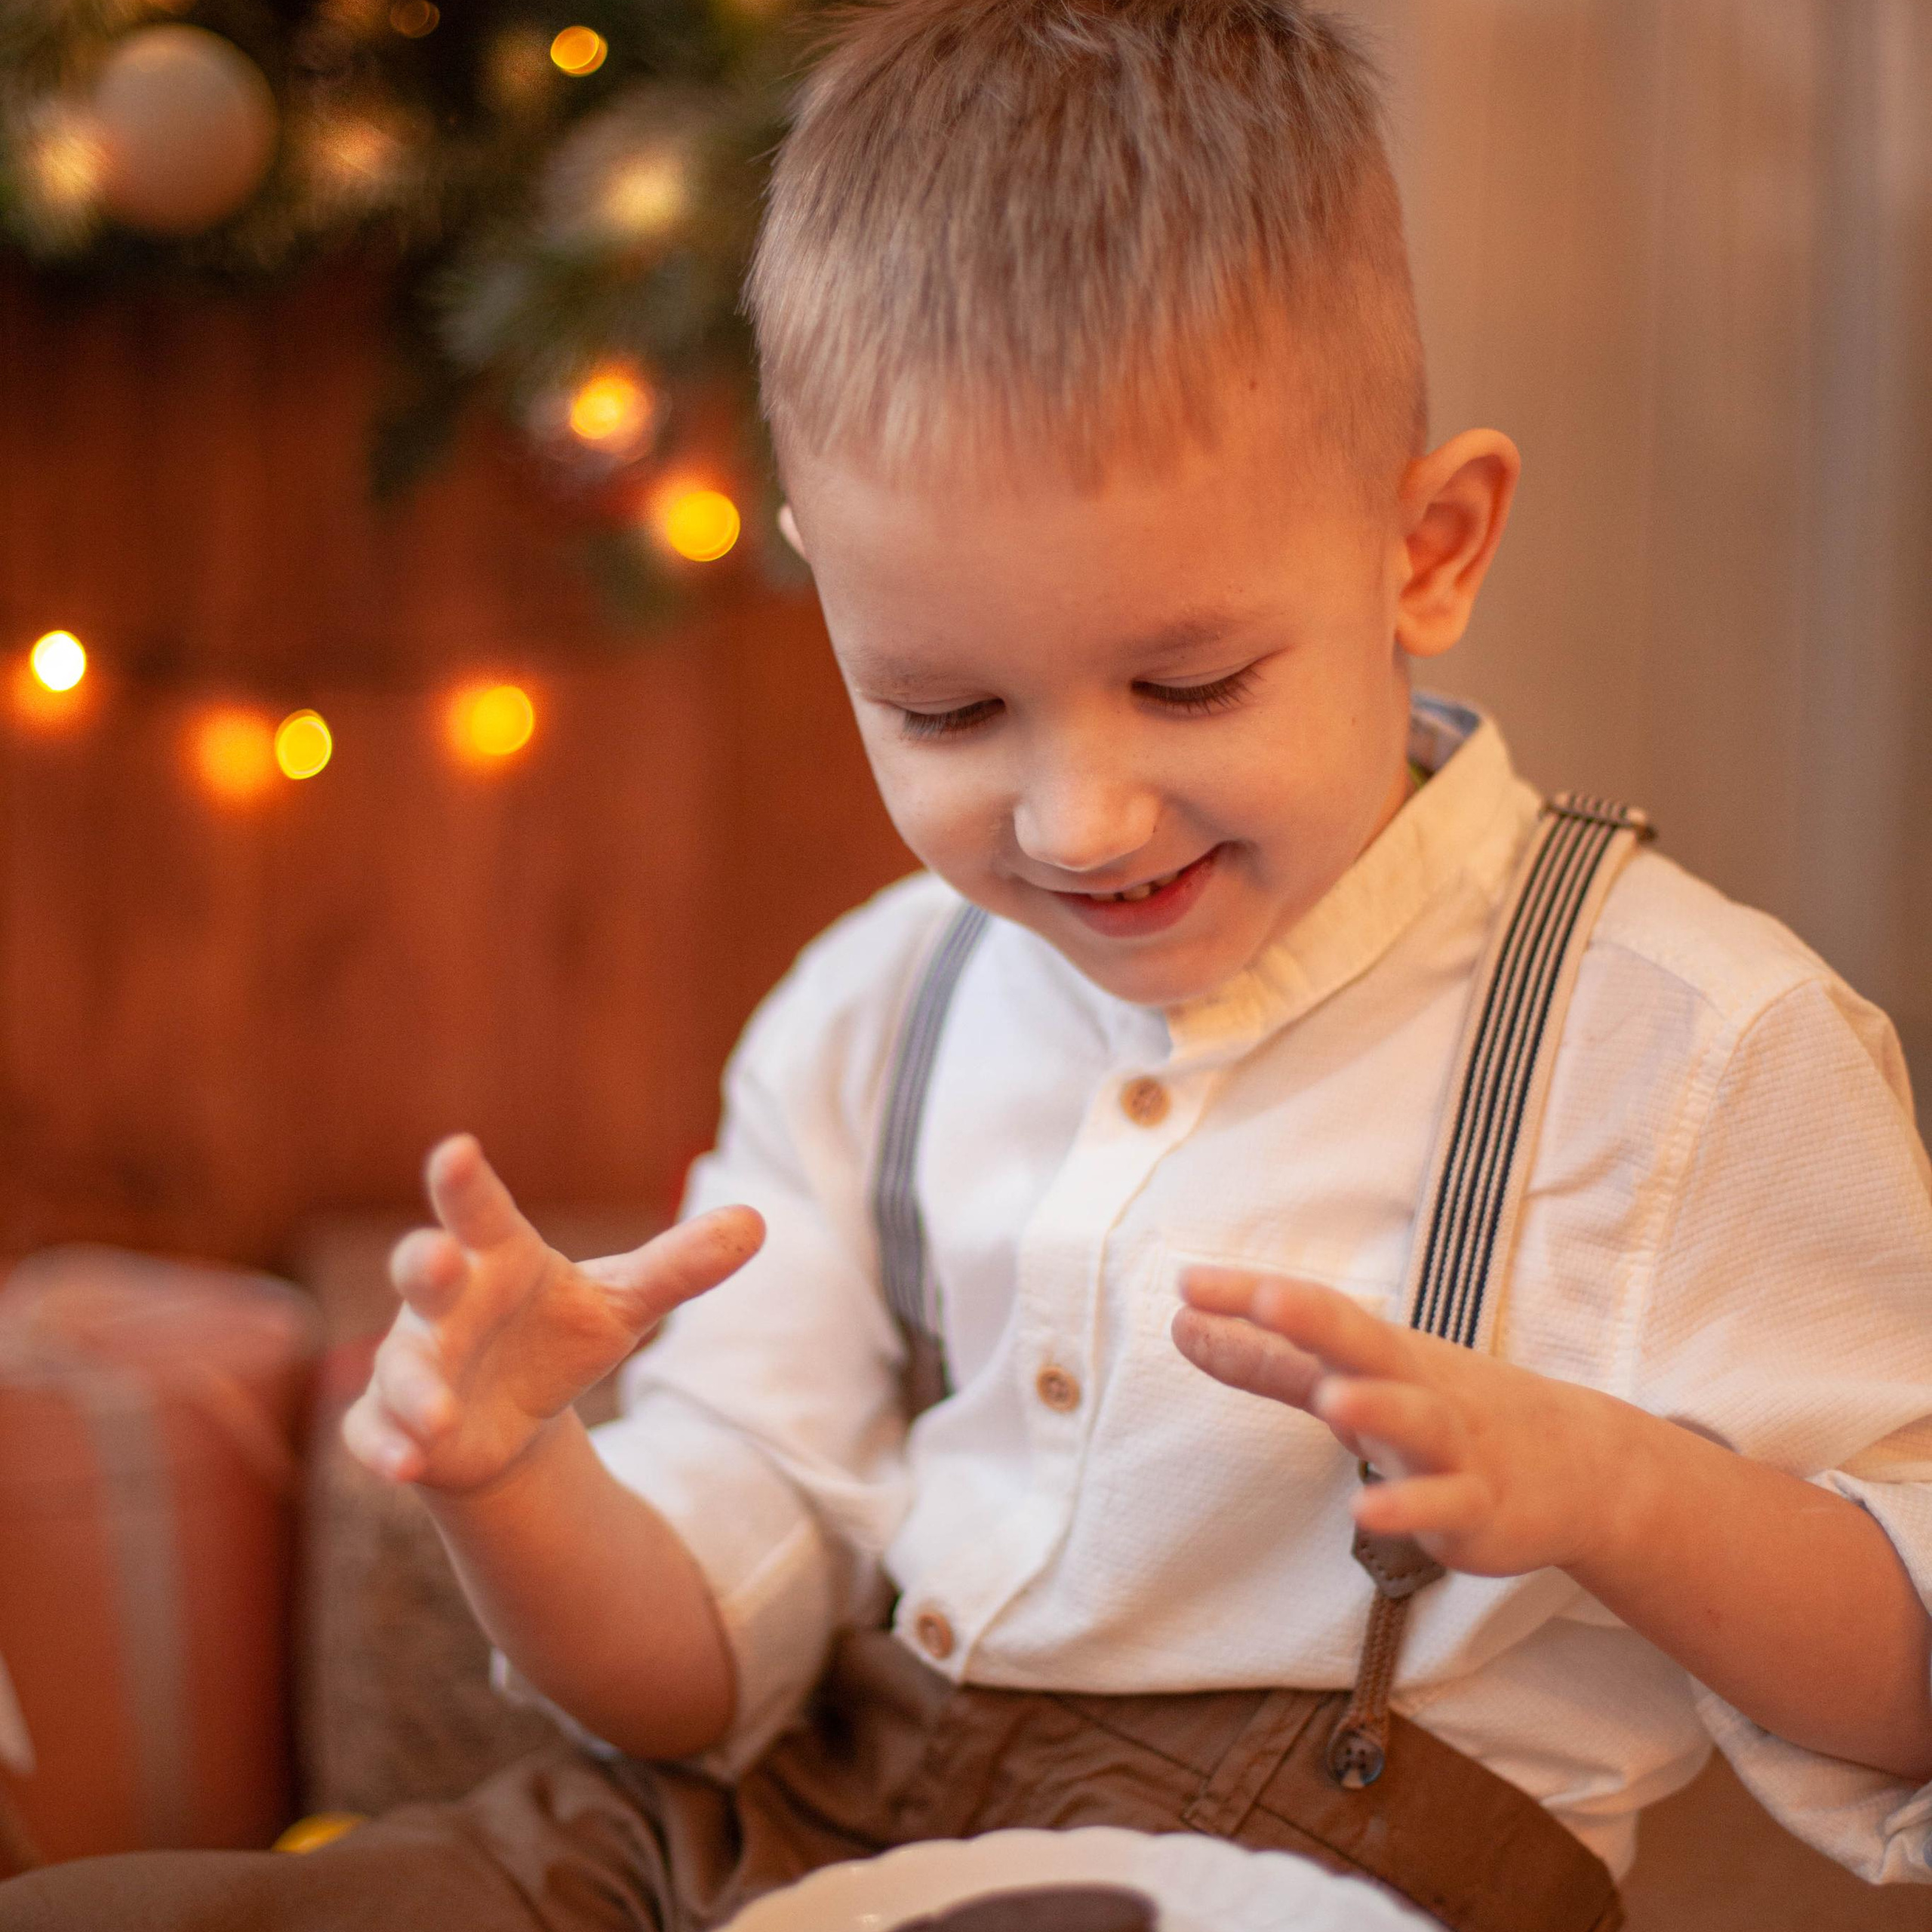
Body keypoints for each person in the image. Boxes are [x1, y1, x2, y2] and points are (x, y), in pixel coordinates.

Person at [8, 4, 1930, 1928]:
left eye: (1189, 681)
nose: (1078, 818)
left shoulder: (1694, 1052)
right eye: (941, 707)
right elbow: (689, 1673)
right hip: (789, 1809)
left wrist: (1611, 1488)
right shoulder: (872, 1014)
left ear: (1422, 551)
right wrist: (508, 1478)